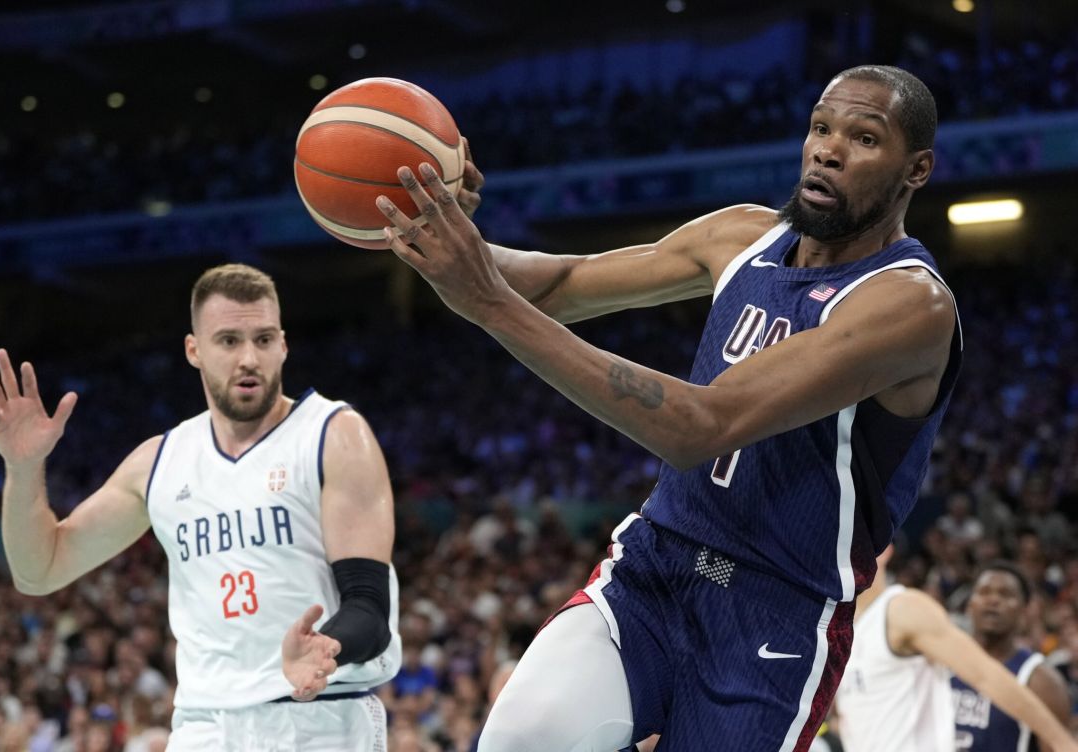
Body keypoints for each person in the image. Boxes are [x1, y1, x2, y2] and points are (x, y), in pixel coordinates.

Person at [378, 65, 963, 751]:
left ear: (916, 169)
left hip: (776, 611)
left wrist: (487, 302)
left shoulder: (910, 304)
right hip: (656, 565)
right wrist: (445, 231)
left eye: (864, 138)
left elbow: (699, 427)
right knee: (522, 738)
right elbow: (563, 282)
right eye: (821, 128)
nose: (828, 150)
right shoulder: (743, 234)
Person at [0, 264, 400, 751]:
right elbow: (39, 570)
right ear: (194, 350)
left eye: (264, 339)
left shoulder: (332, 434)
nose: (249, 358)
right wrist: (23, 467)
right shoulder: (160, 462)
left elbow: (368, 609)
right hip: (204, 727)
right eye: (229, 341)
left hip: (318, 718)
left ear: (284, 345)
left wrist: (328, 647)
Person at [834, 547, 1077, 752]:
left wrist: (1064, 743)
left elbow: (985, 674)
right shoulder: (839, 628)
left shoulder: (903, 609)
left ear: (885, 549)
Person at [953, 562, 1073, 751]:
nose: (993, 600)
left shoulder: (1042, 682)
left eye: (1005, 594)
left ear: (1025, 610)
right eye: (984, 592)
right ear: (970, 604)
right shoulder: (941, 663)